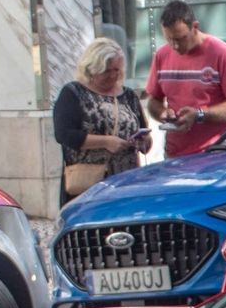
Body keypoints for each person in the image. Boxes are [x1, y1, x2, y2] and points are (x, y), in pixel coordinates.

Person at [144, 0, 226, 157]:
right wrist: (164, 114)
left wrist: (200, 114)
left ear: (195, 27)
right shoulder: (162, 55)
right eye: (169, 39)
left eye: (180, 38)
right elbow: (153, 101)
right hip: (175, 155)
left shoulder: (221, 54)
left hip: (215, 153)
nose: (175, 46)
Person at [53, 37, 153, 198]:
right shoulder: (73, 93)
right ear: (92, 68)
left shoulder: (128, 96)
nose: (113, 75)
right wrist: (106, 142)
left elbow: (144, 133)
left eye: (117, 70)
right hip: (89, 183)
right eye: (107, 70)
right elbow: (64, 134)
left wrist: (143, 141)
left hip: (126, 181)